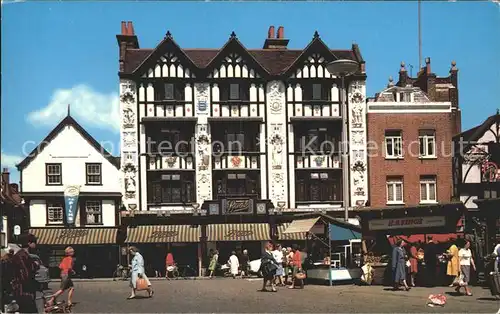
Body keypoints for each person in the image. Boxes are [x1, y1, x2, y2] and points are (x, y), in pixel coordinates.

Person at [5, 233, 39, 313]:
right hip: (24, 291)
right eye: (35, 242)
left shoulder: (24, 255)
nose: (36, 245)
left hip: (25, 290)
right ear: (29, 243)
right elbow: (25, 275)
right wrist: (35, 266)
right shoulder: (21, 256)